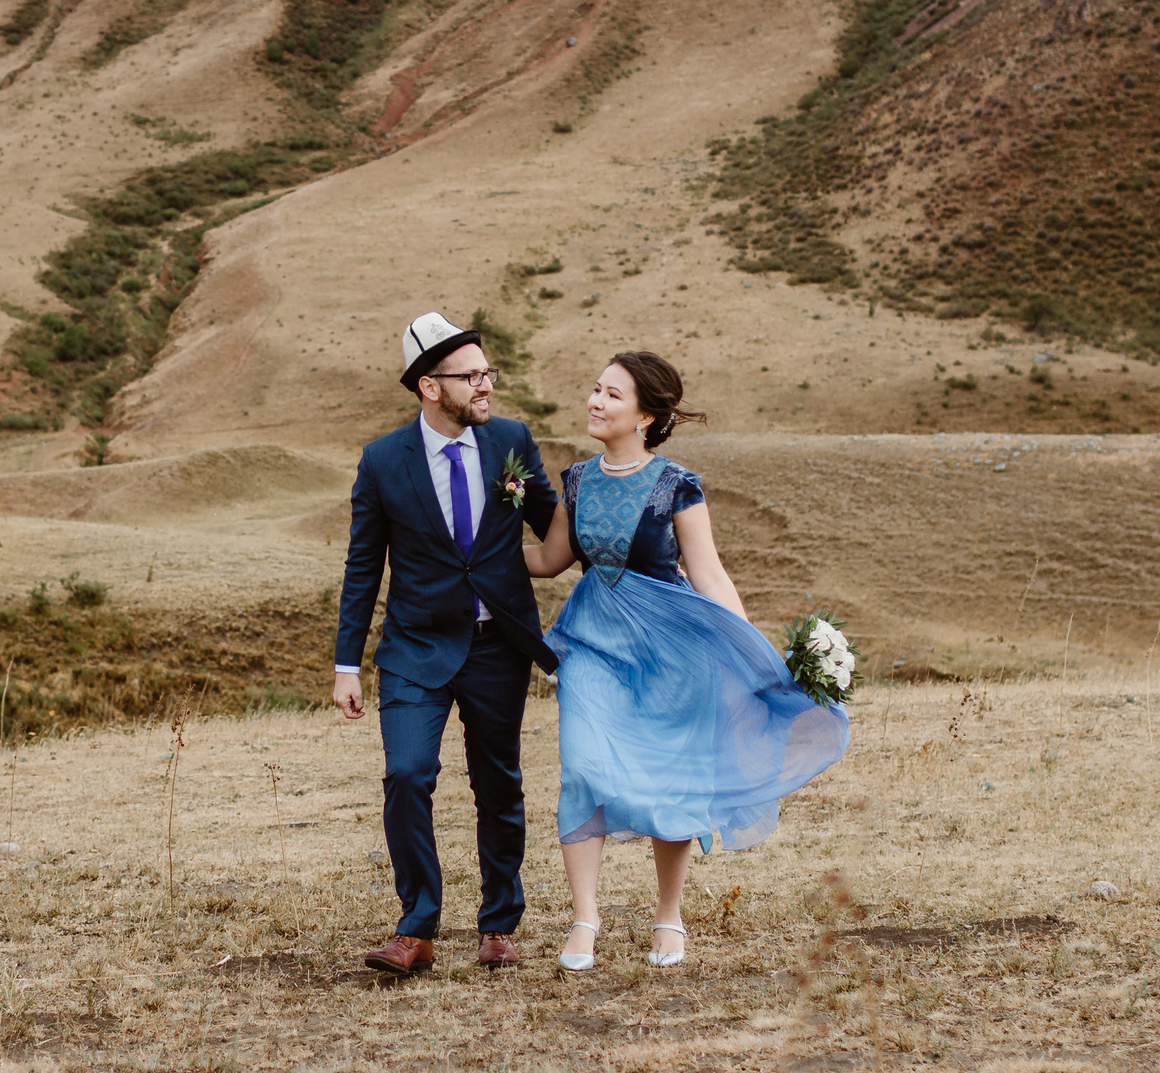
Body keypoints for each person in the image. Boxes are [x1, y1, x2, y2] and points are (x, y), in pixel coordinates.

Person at [524, 350, 849, 971]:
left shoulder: (678, 484)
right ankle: (584, 919)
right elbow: (549, 560)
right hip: (592, 643)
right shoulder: (574, 480)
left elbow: (709, 575)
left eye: (611, 395)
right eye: (595, 389)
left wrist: (753, 653)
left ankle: (668, 916)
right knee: (583, 766)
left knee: (671, 779)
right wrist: (469, 553)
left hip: (674, 651)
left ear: (645, 414)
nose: (595, 401)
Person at [334, 312, 561, 975]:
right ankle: (417, 926)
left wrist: (640, 554)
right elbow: (361, 567)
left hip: (500, 646)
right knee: (407, 774)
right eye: (471, 376)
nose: (485, 385)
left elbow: (554, 523)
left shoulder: (511, 442)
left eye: (487, 371)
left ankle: (498, 923)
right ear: (430, 387)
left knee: (499, 784)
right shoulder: (382, 462)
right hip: (414, 647)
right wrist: (346, 661)